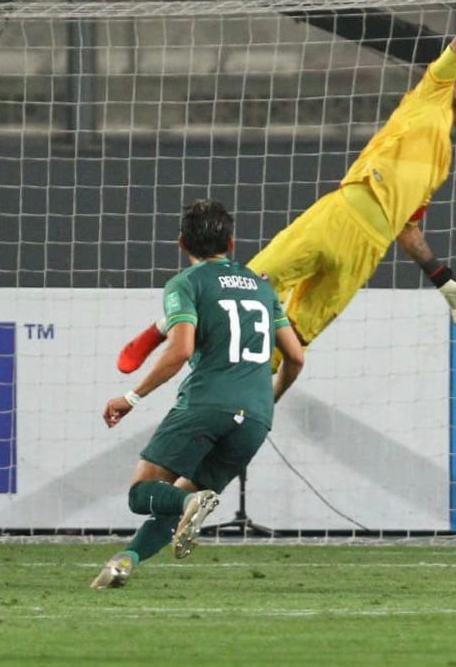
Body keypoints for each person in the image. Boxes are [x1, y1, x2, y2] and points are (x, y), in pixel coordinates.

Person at [115, 0, 456, 372]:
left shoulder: (441, 162)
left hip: (367, 251)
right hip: (340, 215)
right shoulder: (429, 91)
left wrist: (441, 276)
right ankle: (158, 330)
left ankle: (234, 399)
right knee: (246, 286)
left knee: (294, 343)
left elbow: (406, 229)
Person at [91, 199, 304, 589]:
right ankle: (124, 561)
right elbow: (295, 356)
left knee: (142, 494)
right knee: (184, 500)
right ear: (233, 243)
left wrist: (131, 397)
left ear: (181, 243)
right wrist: (269, 400)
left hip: (206, 404)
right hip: (255, 417)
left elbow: (181, 349)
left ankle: (189, 504)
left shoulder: (186, 284)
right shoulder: (261, 287)